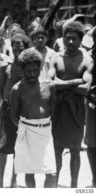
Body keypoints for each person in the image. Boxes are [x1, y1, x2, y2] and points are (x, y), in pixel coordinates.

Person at [49, 21, 93, 188]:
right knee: (57, 149)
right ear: (63, 38)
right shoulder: (56, 57)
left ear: (81, 39)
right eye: (67, 38)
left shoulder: (87, 60)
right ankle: (54, 185)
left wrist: (63, 85)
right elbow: (51, 84)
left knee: (75, 150)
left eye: (74, 39)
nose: (71, 42)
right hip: (58, 110)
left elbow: (85, 89)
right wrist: (75, 81)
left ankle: (74, 187)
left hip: (76, 111)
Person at [10, 48, 57, 188]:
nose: (31, 74)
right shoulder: (17, 89)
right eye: (28, 71)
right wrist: (24, 128)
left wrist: (45, 126)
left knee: (51, 173)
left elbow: (53, 111)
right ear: (22, 70)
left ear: (40, 67)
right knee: (29, 172)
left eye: (35, 70)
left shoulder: (50, 86)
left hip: (45, 132)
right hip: (27, 132)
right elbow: (13, 115)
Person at [0, 34, 30, 188]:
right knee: (3, 146)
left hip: (24, 110)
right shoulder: (5, 66)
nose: (17, 48)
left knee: (19, 147)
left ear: (26, 48)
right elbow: (0, 90)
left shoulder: (29, 68)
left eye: (20, 46)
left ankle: (13, 180)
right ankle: (0, 180)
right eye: (15, 45)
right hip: (7, 109)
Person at [85, 28, 96, 187]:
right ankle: (95, 179)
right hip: (93, 102)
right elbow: (85, 81)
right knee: (92, 143)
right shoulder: (89, 58)